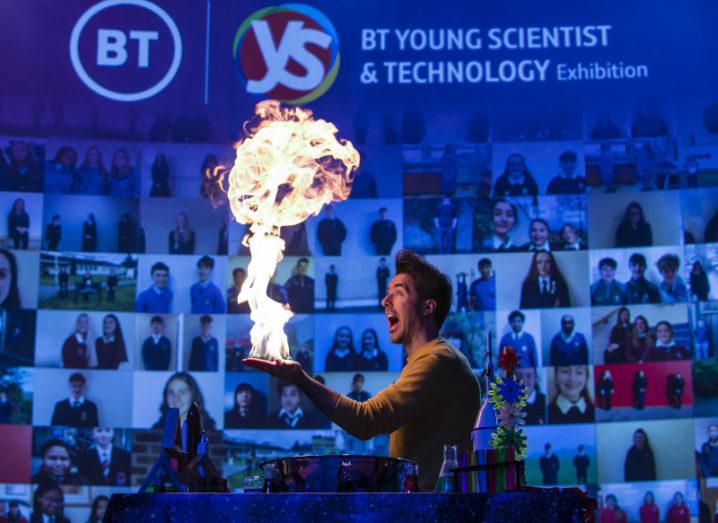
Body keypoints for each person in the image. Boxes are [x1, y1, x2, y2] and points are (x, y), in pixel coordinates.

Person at [243, 250, 481, 491]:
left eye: (399, 292)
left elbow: (366, 420)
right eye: (387, 293)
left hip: (436, 514)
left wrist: (299, 378)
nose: (385, 301)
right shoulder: (430, 359)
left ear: (427, 307)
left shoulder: (438, 360)